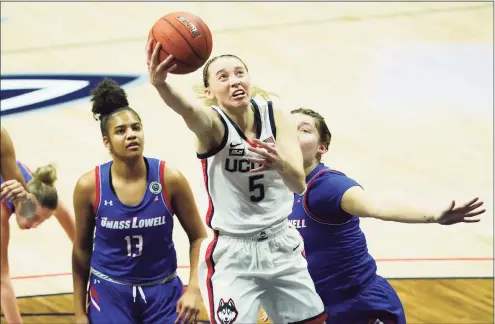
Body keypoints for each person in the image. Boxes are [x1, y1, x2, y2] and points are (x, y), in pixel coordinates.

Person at [146, 41, 327, 324]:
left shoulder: (275, 114)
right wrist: (161, 85)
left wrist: (279, 163)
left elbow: (298, 185)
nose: (235, 81)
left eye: (240, 73)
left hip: (282, 245)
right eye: (224, 77)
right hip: (234, 254)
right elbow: (187, 110)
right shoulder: (212, 125)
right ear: (210, 92)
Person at [262, 107, 486, 324]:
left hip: (358, 307)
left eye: (305, 130)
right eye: (288, 129)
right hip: (311, 308)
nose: (294, 134)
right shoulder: (272, 188)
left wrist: (434, 215)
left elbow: (377, 206)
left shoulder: (327, 186)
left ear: (322, 147)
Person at [72, 79, 207, 324]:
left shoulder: (170, 179)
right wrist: (79, 313)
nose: (131, 134)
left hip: (163, 291)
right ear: (107, 142)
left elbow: (199, 237)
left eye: (136, 127)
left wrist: (195, 288)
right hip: (110, 292)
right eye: (121, 131)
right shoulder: (88, 187)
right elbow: (81, 250)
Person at [1, 162, 75, 324]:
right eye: (33, 218)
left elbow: (64, 216)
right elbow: (2, 279)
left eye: (41, 220)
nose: (34, 225)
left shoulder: (38, 190)